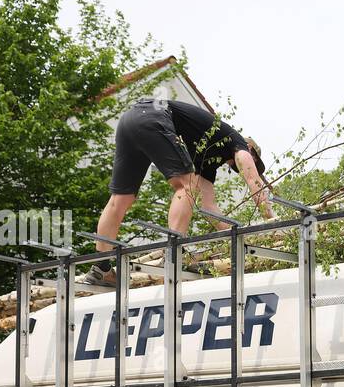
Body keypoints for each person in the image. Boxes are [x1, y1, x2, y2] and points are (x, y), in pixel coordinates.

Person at [84, 98, 276, 285]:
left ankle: (101, 268)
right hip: (154, 116)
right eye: (255, 161)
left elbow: (208, 208)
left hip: (130, 121)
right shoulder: (237, 141)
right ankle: (174, 253)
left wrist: (237, 235)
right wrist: (270, 223)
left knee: (120, 199)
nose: (250, 164)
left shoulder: (206, 159)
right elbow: (253, 180)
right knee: (186, 185)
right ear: (250, 149)